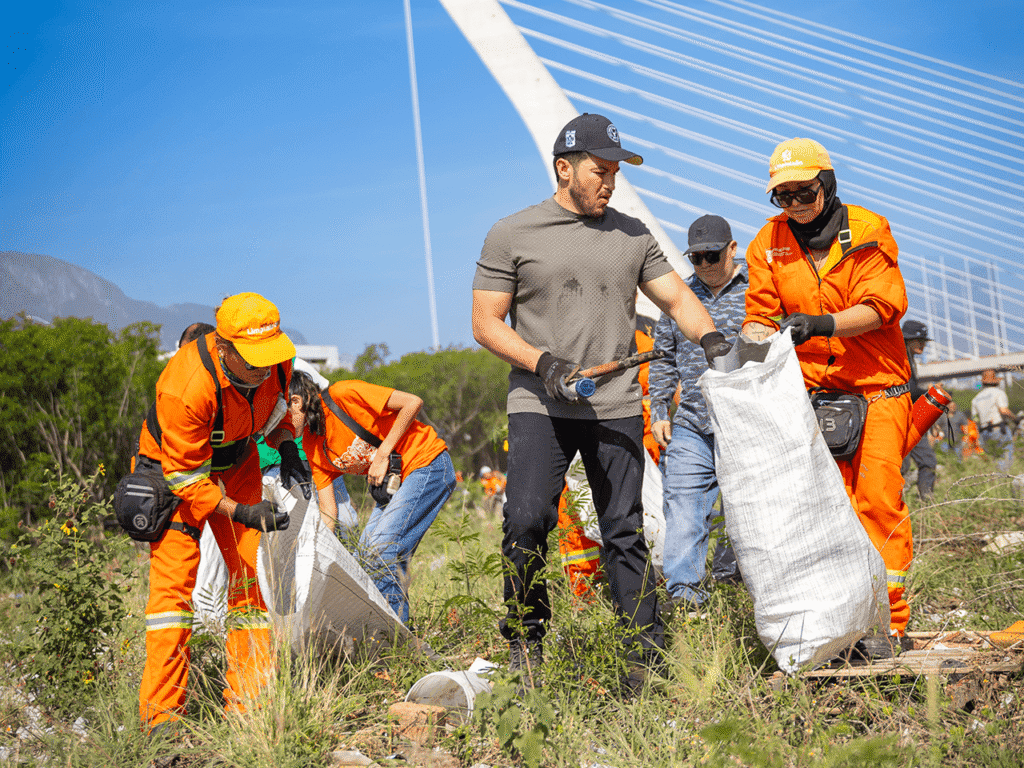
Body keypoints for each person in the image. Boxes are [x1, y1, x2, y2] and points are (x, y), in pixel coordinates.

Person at [471, 112, 728, 686]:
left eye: (614, 171)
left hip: (614, 405)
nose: (609, 181)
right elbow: (485, 323)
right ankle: (526, 647)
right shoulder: (512, 233)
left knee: (623, 528)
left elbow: (679, 299)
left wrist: (711, 339)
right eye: (599, 170)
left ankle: (646, 661)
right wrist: (545, 363)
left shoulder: (633, 235)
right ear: (564, 168)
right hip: (541, 403)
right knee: (527, 519)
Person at [742, 138, 914, 657]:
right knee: (829, 511)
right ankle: (845, 624)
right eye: (783, 197)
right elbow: (759, 314)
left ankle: (891, 624)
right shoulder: (766, 242)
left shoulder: (867, 230)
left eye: (804, 193)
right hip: (814, 393)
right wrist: (750, 341)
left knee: (878, 501)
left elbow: (883, 307)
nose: (794, 206)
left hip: (879, 386)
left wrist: (821, 325)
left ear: (828, 185)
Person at [137, 293, 310, 728]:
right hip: (175, 475)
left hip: (237, 461)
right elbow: (184, 477)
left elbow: (274, 411)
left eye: (267, 358)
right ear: (224, 347)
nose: (261, 369)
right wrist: (241, 513)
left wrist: (288, 447)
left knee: (252, 580)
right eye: (251, 361)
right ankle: (163, 721)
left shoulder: (277, 362)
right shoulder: (185, 385)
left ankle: (250, 708)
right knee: (172, 598)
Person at [290, 371, 456, 622]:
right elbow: (329, 512)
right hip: (396, 485)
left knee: (382, 552)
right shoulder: (312, 445)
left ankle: (399, 640)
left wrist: (382, 453)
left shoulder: (342, 395)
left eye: (278, 416)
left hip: (426, 462)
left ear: (295, 402)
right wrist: (315, 556)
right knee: (364, 560)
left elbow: (413, 402)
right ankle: (379, 634)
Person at [650, 214, 744, 612]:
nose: (704, 264)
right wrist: (658, 409)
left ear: (732, 250)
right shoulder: (681, 297)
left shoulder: (759, 292)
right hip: (691, 422)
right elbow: (662, 358)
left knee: (744, 510)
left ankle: (737, 585)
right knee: (684, 506)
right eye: (697, 258)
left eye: (712, 255)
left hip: (745, 422)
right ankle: (685, 597)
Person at [900, 320, 938, 500]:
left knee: (928, 461)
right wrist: (929, 391)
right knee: (901, 466)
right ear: (908, 340)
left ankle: (926, 500)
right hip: (900, 420)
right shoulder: (901, 358)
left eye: (924, 341)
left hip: (911, 419)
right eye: (919, 340)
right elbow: (905, 390)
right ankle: (895, 506)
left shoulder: (910, 359)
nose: (923, 344)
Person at [971, 369, 1015, 472]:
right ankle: (1004, 481)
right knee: (1005, 457)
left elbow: (975, 419)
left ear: (983, 383)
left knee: (993, 460)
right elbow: (1003, 410)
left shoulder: (976, 398)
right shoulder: (999, 393)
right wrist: (1015, 418)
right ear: (996, 382)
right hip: (999, 429)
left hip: (984, 432)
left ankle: (994, 481)